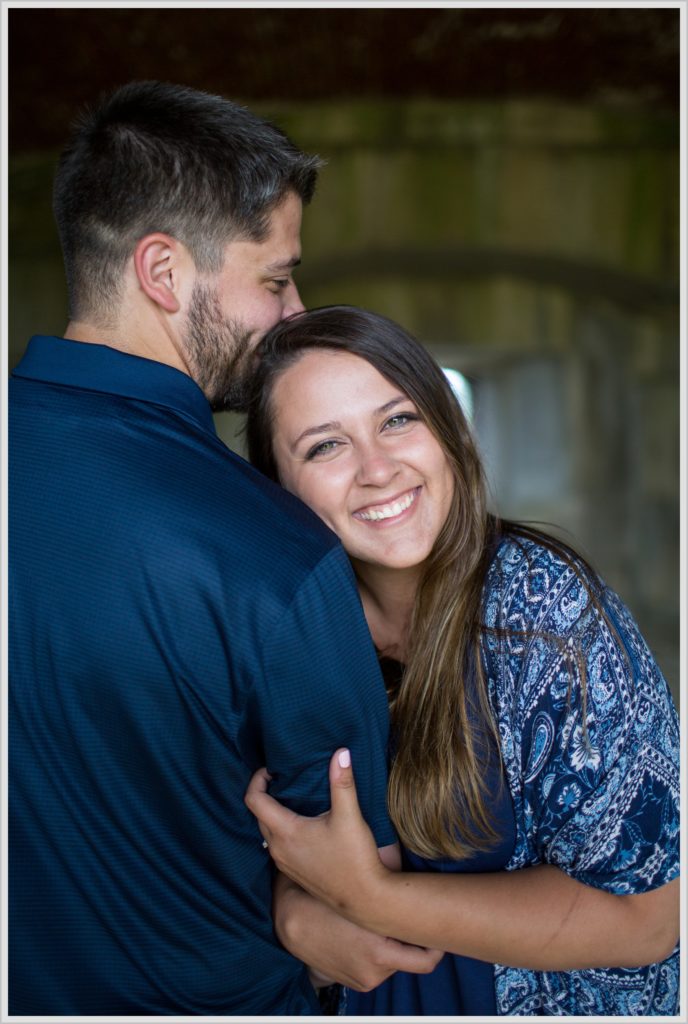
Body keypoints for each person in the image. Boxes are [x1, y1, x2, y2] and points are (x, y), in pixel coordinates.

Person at [8, 84, 442, 1015]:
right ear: (164, 273)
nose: (295, 311)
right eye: (277, 278)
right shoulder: (278, 553)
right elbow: (370, 925)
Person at [243, 304, 681, 1017]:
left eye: (398, 420)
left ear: (449, 430)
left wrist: (373, 900)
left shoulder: (545, 614)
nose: (377, 470)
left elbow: (648, 920)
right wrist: (292, 916)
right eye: (326, 446)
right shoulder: (279, 635)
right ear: (277, 488)